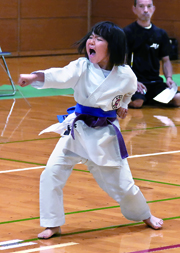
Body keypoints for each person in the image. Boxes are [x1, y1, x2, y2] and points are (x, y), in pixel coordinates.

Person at [18, 21, 163, 239]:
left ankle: (145, 214)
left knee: (123, 186)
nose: (91, 42)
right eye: (91, 37)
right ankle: (53, 223)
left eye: (99, 39)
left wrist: (123, 106)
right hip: (77, 130)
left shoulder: (125, 75)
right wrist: (34, 77)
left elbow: (128, 91)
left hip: (104, 135)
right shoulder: (81, 67)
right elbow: (60, 75)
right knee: (51, 173)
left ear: (112, 46)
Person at [123, 0, 180, 108]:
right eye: (141, 6)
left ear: (153, 9)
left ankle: (149, 98)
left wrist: (168, 78)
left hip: (155, 83)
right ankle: (128, 99)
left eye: (149, 6)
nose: (145, 10)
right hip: (136, 82)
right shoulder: (127, 32)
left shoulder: (161, 34)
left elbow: (166, 60)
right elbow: (122, 61)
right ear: (134, 9)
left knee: (178, 99)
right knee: (137, 103)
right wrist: (132, 80)